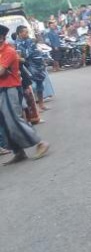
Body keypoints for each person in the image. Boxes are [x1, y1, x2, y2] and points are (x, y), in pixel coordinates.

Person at [0, 25, 49, 164]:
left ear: (1, 37)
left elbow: (1, 72)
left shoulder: (8, 51)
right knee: (4, 122)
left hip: (9, 89)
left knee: (13, 120)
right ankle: (18, 152)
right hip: (2, 89)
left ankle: (40, 143)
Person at [14, 26, 48, 113]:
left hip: (38, 65)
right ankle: (36, 108)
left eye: (27, 31)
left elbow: (37, 51)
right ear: (20, 33)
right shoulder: (18, 44)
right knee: (32, 87)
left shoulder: (30, 40)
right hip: (29, 66)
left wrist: (42, 61)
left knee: (40, 84)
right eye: (25, 32)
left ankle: (41, 104)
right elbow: (24, 56)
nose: (27, 33)